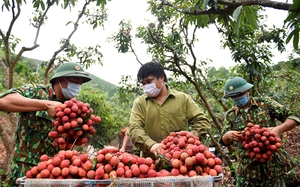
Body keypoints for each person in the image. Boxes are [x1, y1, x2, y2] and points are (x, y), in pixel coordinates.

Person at [0, 62, 91, 186]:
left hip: (55, 174)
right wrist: (45, 105)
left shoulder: (74, 109)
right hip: (25, 172)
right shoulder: (36, 92)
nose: (77, 87)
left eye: (79, 84)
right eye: (74, 82)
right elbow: (3, 101)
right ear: (59, 79)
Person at [219, 76, 300, 187]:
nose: (237, 98)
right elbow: (224, 141)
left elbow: (293, 117)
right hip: (247, 171)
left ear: (248, 90)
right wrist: (228, 135)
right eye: (233, 96)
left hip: (273, 166)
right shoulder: (230, 115)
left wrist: (278, 129)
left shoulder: (265, 104)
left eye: (239, 94)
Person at [128, 61, 211, 159]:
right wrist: (151, 145)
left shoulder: (183, 99)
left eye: (149, 81)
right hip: (150, 163)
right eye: (143, 83)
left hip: (180, 160)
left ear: (162, 78)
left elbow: (202, 120)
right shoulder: (140, 103)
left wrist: (192, 136)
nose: (146, 86)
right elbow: (134, 128)